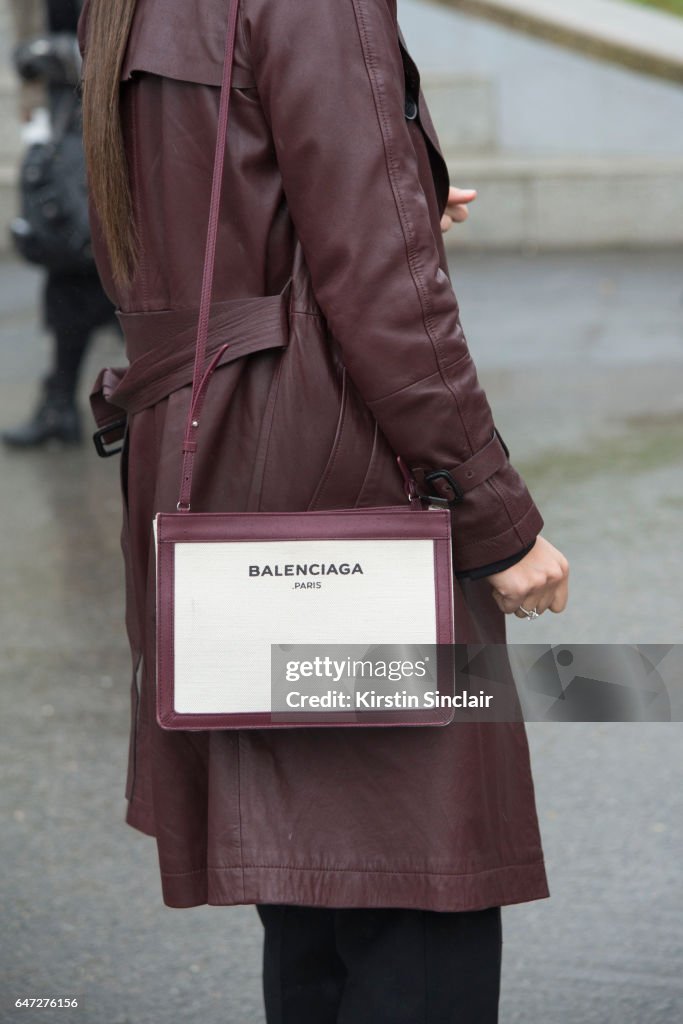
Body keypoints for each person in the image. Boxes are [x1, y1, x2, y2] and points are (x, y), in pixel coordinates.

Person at [79, 1, 570, 1021]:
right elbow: (382, 281)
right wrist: (495, 515)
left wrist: (395, 200)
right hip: (329, 467)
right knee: (413, 887)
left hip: (203, 448)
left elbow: (183, 215)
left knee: (311, 893)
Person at [2, 0, 117, 449]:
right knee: (72, 265)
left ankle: (176, 414)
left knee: (118, 277)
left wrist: (60, 55)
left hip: (110, 123)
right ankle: (58, 407)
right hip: (67, 126)